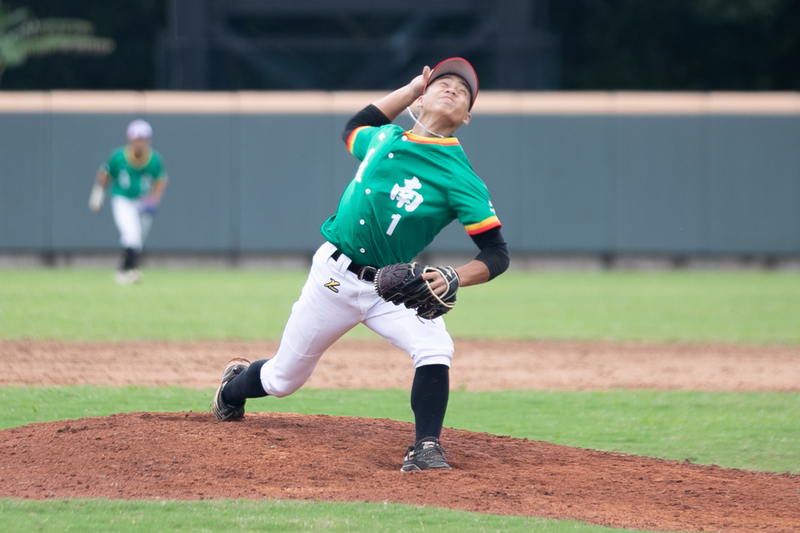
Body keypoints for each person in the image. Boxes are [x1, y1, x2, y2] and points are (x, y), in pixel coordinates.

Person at [212, 58, 509, 471]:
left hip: (391, 287)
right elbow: (353, 126)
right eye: (443, 82)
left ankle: (425, 448)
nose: (453, 89)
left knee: (435, 347)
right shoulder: (385, 136)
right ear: (422, 99)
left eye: (463, 90)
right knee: (283, 379)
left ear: (468, 116)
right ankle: (231, 391)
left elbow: (497, 253)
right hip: (333, 279)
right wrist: (409, 90)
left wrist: (454, 275)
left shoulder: (462, 178)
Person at [89, 119, 169, 285]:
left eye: (143, 139)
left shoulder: (154, 159)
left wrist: (154, 200)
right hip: (123, 199)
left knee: (138, 239)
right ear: (130, 139)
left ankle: (130, 270)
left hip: (143, 201)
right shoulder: (119, 156)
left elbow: (160, 183)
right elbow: (104, 177)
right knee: (130, 234)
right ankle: (124, 271)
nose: (140, 142)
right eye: (137, 138)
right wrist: (97, 197)